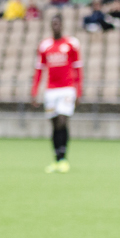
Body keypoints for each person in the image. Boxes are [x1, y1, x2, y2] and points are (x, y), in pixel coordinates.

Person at [32, 15, 82, 173]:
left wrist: (78, 90)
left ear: (62, 25)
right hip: (51, 90)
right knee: (54, 124)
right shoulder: (45, 46)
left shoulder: (71, 44)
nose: (56, 26)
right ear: (50, 25)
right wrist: (35, 91)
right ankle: (57, 159)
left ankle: (64, 158)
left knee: (62, 120)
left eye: (58, 23)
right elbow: (39, 70)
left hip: (67, 88)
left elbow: (77, 69)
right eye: (53, 23)